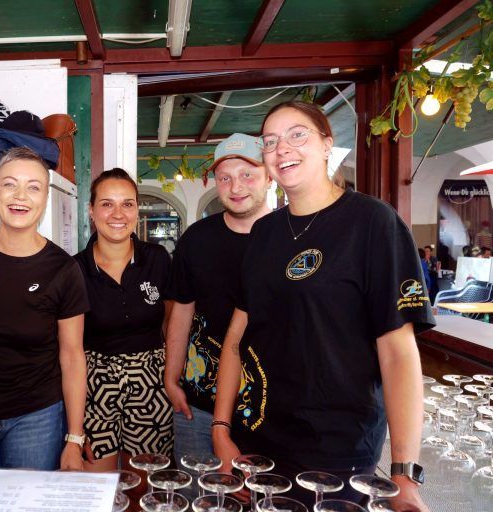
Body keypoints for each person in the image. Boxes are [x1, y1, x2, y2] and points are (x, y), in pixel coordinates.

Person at [212, 101, 434, 510]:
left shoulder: (373, 223)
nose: (282, 149)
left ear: (327, 144)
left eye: (298, 135)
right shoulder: (264, 233)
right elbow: (235, 339)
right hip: (258, 439)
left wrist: (403, 472)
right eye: (271, 141)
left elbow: (399, 352)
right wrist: (221, 430)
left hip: (339, 449)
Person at [0, 147, 89, 509]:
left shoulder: (63, 269)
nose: (20, 196)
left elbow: (73, 356)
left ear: (45, 197)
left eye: (33, 187)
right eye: (9, 185)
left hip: (37, 418)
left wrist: (74, 437)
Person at [164, 133, 272, 470]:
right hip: (197, 403)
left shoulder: (289, 239)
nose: (236, 186)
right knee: (198, 500)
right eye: (225, 177)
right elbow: (182, 311)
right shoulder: (197, 238)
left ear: (270, 176)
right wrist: (171, 376)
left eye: (247, 175)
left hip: (268, 407)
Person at [74, 168, 174, 472]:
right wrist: (75, 426)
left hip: (152, 383)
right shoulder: (74, 270)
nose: (118, 213)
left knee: (143, 488)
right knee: (96, 487)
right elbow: (69, 349)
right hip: (95, 385)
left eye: (127, 204)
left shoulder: (158, 258)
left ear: (136, 210)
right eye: (107, 204)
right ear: (91, 211)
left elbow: (171, 324)